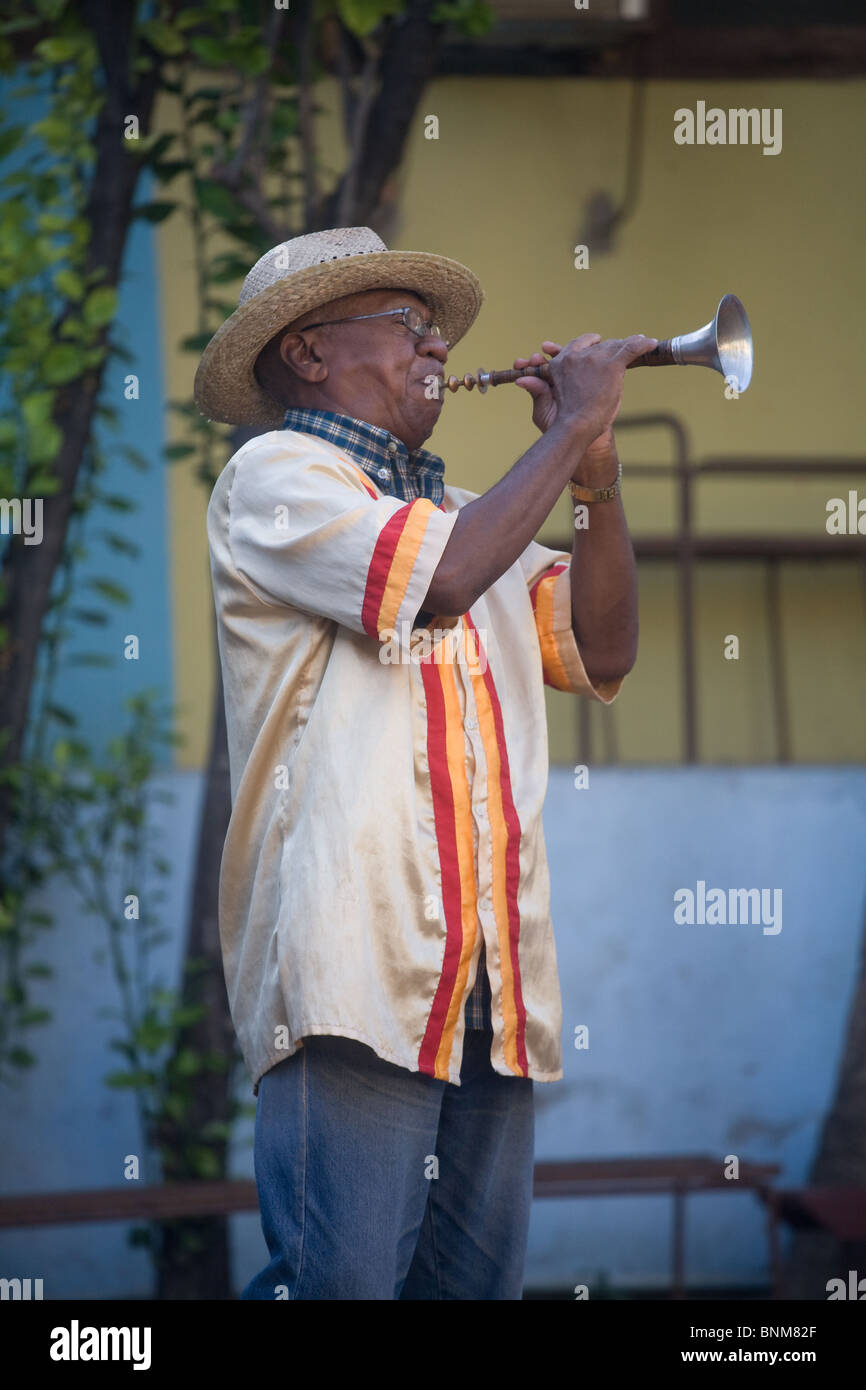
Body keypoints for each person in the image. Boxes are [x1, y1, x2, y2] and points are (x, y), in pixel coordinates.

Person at [195, 226, 657, 1300]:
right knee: (339, 1288)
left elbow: (604, 647)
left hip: (488, 984)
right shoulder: (275, 479)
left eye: (435, 327)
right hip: (351, 972)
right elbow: (439, 583)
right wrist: (573, 421)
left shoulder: (460, 514)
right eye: (406, 324)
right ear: (308, 353)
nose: (437, 346)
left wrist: (592, 475)